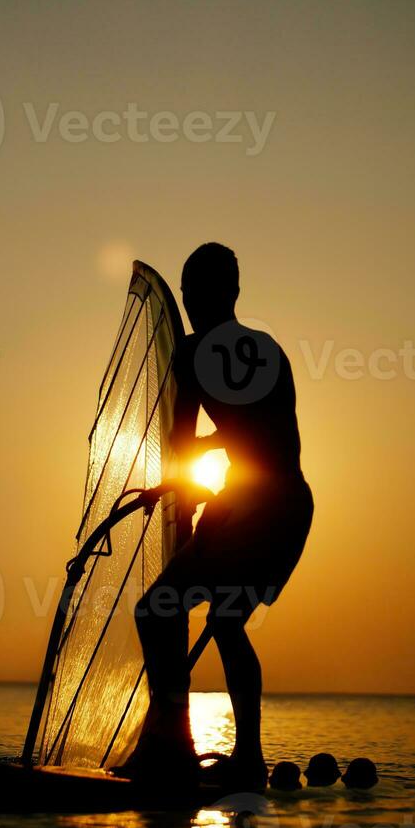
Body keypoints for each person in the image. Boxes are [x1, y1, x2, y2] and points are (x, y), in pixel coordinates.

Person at [117, 243, 314, 790]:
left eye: (191, 290)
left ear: (218, 293)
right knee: (226, 622)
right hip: (290, 504)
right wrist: (208, 470)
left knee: (157, 610)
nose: (189, 299)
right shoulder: (268, 349)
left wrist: (178, 480)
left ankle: (171, 744)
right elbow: (267, 437)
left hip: (251, 509)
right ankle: (246, 758)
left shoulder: (190, 352)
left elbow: (178, 444)